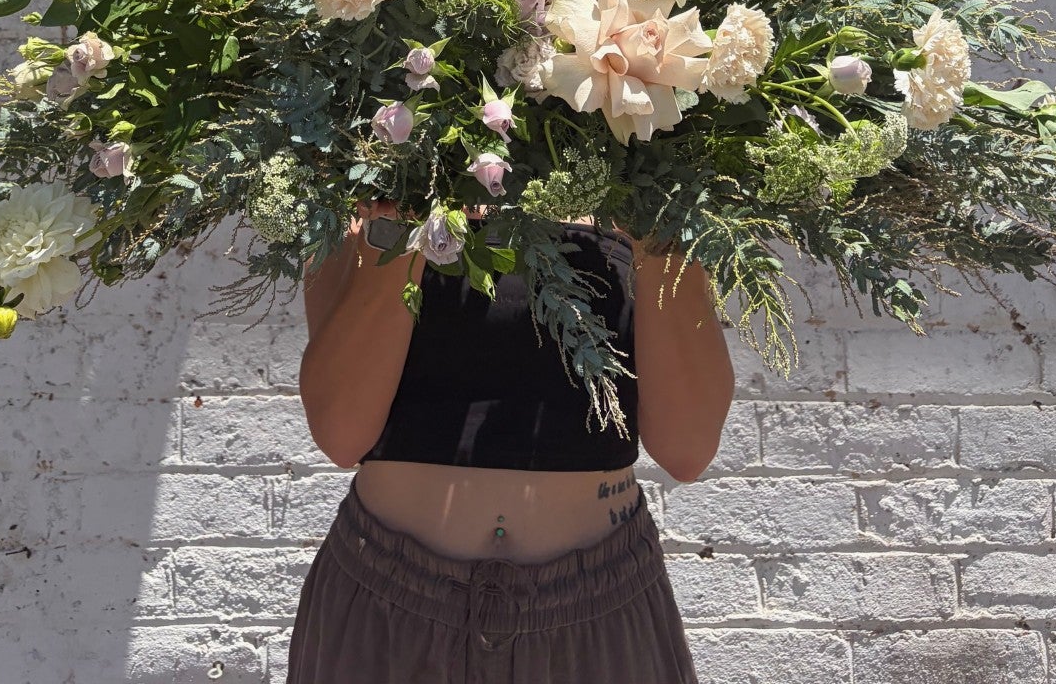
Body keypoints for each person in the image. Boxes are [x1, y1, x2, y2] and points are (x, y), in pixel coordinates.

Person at [289, 204, 734, 682]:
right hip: (385, 613)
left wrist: (654, 226)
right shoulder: (374, 178)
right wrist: (401, 223)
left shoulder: (646, 182)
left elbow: (688, 449)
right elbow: (341, 433)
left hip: (598, 618)